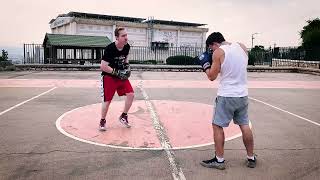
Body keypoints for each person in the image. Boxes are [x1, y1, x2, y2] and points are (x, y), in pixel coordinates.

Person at [198, 32, 256, 170]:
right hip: (242, 94)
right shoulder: (242, 47)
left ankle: (219, 160)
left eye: (211, 47)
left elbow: (212, 76)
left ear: (214, 43)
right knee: (244, 125)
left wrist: (205, 65)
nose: (211, 50)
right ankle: (251, 157)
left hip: (226, 95)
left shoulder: (218, 52)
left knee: (217, 126)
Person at [99, 27, 134, 131]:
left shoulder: (127, 46)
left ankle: (123, 116)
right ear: (117, 38)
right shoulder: (110, 48)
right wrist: (116, 72)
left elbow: (126, 58)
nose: (126, 38)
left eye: (126, 35)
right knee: (107, 101)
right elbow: (103, 66)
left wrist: (127, 66)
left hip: (120, 76)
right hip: (109, 76)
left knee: (131, 94)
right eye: (123, 36)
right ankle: (102, 121)